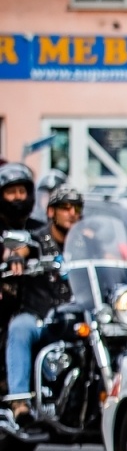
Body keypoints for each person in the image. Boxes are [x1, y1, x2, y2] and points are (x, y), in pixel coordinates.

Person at [5, 184, 82, 421]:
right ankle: (19, 401)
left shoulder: (84, 243)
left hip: (74, 317)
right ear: (51, 212)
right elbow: (20, 249)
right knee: (19, 328)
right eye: (65, 207)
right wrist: (16, 257)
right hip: (40, 316)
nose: (72, 213)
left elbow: (110, 258)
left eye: (76, 208)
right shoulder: (37, 239)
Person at [0, 162, 34, 396]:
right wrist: (12, 255)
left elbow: (37, 243)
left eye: (21, 191)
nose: (17, 197)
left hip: (33, 302)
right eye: (11, 192)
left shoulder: (36, 227)